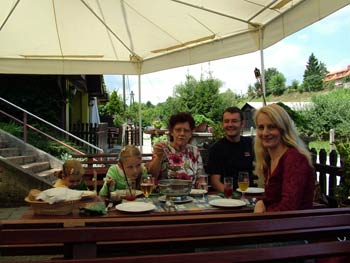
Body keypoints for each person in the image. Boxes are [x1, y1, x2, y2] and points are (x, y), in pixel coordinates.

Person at [253, 104, 314, 213]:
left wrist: (261, 217)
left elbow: (288, 207)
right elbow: (272, 197)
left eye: (271, 127)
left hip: (294, 226)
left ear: (283, 129)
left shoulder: (294, 158)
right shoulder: (268, 159)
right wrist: (260, 202)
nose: (265, 133)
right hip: (277, 224)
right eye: (261, 127)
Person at [206, 107, 254, 192]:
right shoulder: (216, 149)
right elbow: (215, 181)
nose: (230, 125)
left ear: (242, 124)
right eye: (226, 121)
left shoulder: (251, 144)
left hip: (252, 195)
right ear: (222, 124)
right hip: (228, 197)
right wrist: (232, 196)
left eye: (234, 121)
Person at [148, 112, 203, 185]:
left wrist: (202, 184)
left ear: (191, 133)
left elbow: (201, 178)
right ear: (171, 132)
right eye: (178, 130)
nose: (182, 133)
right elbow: (152, 175)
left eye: (186, 131)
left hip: (190, 194)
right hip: (165, 194)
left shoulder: (195, 151)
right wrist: (158, 157)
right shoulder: (162, 149)